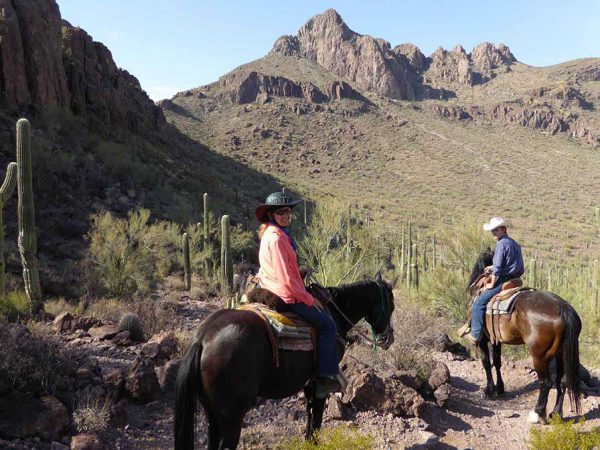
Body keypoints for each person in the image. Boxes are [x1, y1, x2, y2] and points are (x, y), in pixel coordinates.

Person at [255, 191, 342, 397]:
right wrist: (309, 298)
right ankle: (325, 377)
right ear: (271, 215)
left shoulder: (271, 234)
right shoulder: (278, 239)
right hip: (284, 292)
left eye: (287, 212)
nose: (285, 216)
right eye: (280, 212)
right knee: (328, 325)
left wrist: (300, 272)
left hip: (271, 284)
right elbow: (287, 282)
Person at [466, 217, 524, 344]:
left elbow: (498, 268)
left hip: (502, 280)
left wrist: (492, 282)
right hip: (516, 279)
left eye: (496, 230)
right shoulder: (514, 243)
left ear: (504, 229)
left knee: (479, 303)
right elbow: (516, 265)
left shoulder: (500, 244)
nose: (494, 232)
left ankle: (475, 334)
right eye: (492, 230)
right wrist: (492, 267)